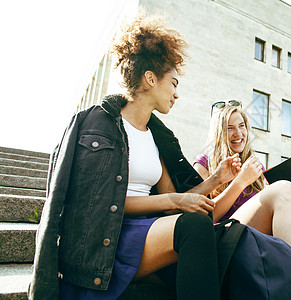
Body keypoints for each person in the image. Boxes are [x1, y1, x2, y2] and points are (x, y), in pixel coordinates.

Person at [28, 15, 240, 300]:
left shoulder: (158, 138)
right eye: (174, 83)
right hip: (107, 237)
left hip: (148, 231)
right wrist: (174, 200)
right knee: (196, 227)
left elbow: (174, 204)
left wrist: (218, 178)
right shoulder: (93, 124)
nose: (177, 94)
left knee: (219, 238)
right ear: (151, 78)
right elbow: (94, 202)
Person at [194, 103, 291, 298]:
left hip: (256, 232)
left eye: (242, 126)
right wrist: (241, 181)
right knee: (282, 189)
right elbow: (206, 216)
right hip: (225, 235)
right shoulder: (204, 163)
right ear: (219, 132)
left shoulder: (252, 162)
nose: (238, 133)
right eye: (229, 128)